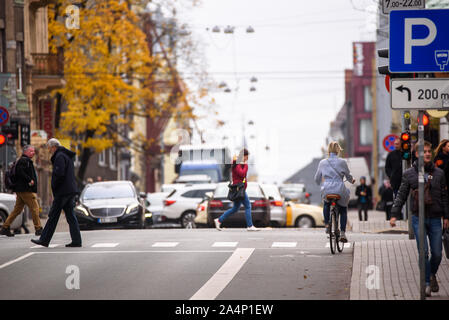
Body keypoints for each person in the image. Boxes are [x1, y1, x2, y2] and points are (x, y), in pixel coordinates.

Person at [390, 140, 449, 297]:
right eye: (424, 151)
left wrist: (446, 216)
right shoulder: (409, 174)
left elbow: (444, 196)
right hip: (417, 218)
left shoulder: (439, 173)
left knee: (437, 253)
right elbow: (401, 194)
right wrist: (394, 214)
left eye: (430, 151)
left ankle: (431, 274)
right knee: (423, 252)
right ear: (417, 154)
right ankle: (427, 284)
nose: (428, 154)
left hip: (436, 218)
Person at [31, 138, 82, 247]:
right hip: (69, 190)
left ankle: (44, 239)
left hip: (63, 192)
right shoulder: (66, 156)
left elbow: (59, 174)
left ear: (53, 147)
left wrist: (54, 185)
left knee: (53, 216)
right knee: (71, 216)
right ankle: (77, 240)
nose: (49, 150)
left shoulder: (59, 156)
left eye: (49, 148)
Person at [314, 141, 355, 243]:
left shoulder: (322, 162)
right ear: (338, 150)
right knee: (343, 208)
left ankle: (327, 225)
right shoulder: (342, 162)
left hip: (327, 188)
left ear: (328, 150)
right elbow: (348, 176)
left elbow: (317, 179)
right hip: (339, 188)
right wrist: (351, 180)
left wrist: (320, 182)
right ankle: (342, 233)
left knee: (326, 203)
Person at [0, 145, 42, 237]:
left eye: (34, 151)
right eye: (31, 151)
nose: (33, 153)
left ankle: (5, 227)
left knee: (17, 210)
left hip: (21, 190)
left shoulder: (23, 160)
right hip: (25, 190)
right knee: (35, 208)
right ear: (25, 152)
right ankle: (38, 228)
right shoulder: (24, 161)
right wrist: (29, 180)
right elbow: (20, 172)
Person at [214, 148, 259, 231]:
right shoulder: (237, 163)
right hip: (238, 189)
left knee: (235, 208)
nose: (247, 159)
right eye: (246, 157)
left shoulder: (239, 163)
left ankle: (219, 220)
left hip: (239, 188)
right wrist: (245, 166)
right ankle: (250, 226)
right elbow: (241, 174)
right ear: (243, 156)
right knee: (248, 205)